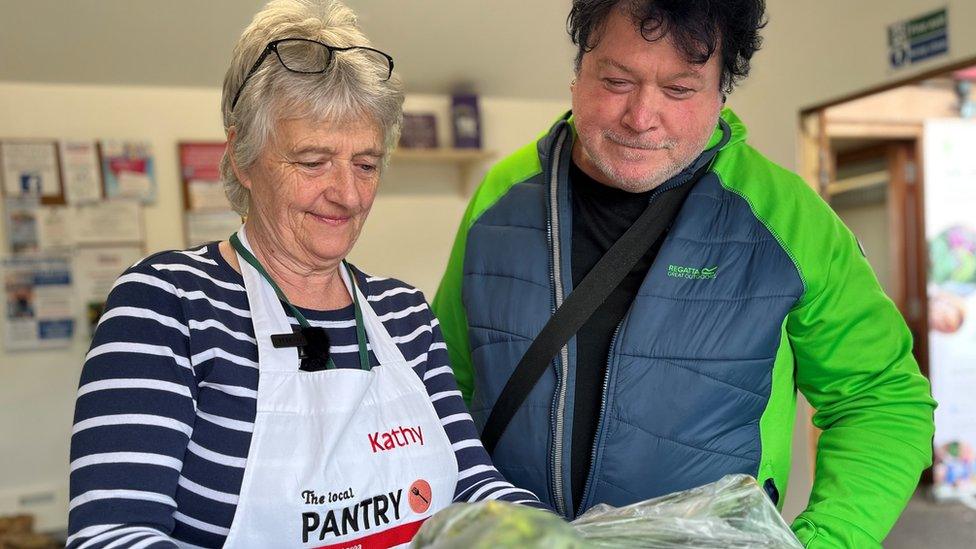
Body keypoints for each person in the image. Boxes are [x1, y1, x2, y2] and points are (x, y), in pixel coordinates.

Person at [432, 1, 935, 547]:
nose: (641, 117)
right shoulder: (501, 197)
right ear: (578, 76)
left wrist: (826, 540)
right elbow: (445, 386)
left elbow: (880, 399)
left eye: (680, 90)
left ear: (720, 96)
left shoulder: (788, 219)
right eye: (617, 80)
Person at [67, 1, 541, 547]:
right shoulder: (167, 305)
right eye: (313, 162)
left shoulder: (404, 314)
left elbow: (473, 483)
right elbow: (112, 535)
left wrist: (549, 536)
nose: (347, 194)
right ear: (242, 158)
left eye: (365, 164)